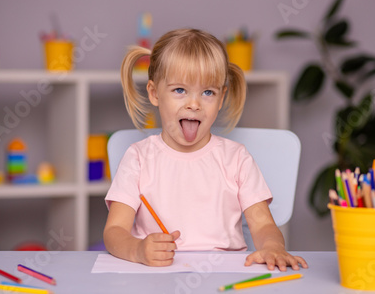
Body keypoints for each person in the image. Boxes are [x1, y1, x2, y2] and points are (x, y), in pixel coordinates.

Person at [103, 28, 308, 271]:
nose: (194, 104)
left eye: (208, 92)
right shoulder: (137, 158)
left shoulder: (237, 158)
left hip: (225, 275)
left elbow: (263, 226)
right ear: (154, 93)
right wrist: (137, 250)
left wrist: (273, 246)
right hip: (156, 275)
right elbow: (114, 231)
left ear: (221, 99)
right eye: (180, 90)